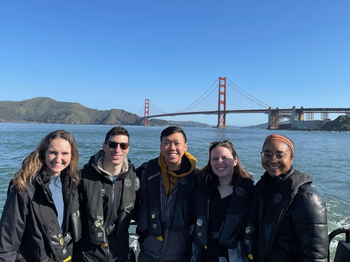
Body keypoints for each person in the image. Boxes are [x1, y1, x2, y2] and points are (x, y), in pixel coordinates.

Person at [244, 134, 328, 261]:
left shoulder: (306, 198)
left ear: (292, 158)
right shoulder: (262, 189)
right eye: (267, 154)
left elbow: (315, 256)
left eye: (280, 155)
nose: (273, 160)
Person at [0, 130, 81, 262]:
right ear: (44, 152)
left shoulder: (73, 184)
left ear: (72, 156)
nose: (58, 159)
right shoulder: (23, 188)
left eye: (65, 153)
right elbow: (8, 239)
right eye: (53, 152)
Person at [135, 126, 200, 262]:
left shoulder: (198, 178)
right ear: (160, 146)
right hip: (148, 252)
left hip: (181, 254)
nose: (171, 147)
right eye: (166, 143)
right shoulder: (145, 172)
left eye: (177, 143)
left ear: (185, 147)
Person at [74, 126, 139, 262]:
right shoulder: (82, 178)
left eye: (123, 145)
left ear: (128, 149)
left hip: (119, 254)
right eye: (113, 144)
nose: (117, 150)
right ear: (104, 146)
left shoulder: (135, 180)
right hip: (88, 254)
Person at [191, 139, 254, 262]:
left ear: (235, 161)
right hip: (205, 256)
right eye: (215, 159)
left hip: (237, 256)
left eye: (225, 158)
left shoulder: (250, 192)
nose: (220, 162)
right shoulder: (203, 189)